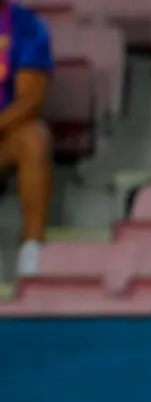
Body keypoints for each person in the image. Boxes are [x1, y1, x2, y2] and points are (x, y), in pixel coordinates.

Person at [0, 0, 53, 276]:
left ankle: (32, 250)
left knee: (34, 138)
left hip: (3, 139)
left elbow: (31, 100)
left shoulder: (25, 27)